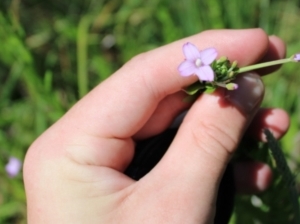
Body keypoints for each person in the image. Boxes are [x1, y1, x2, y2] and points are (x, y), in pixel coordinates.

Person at [24, 28, 290, 223]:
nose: (197, 62)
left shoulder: (202, 63)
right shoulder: (195, 66)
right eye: (195, 62)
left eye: (201, 62)